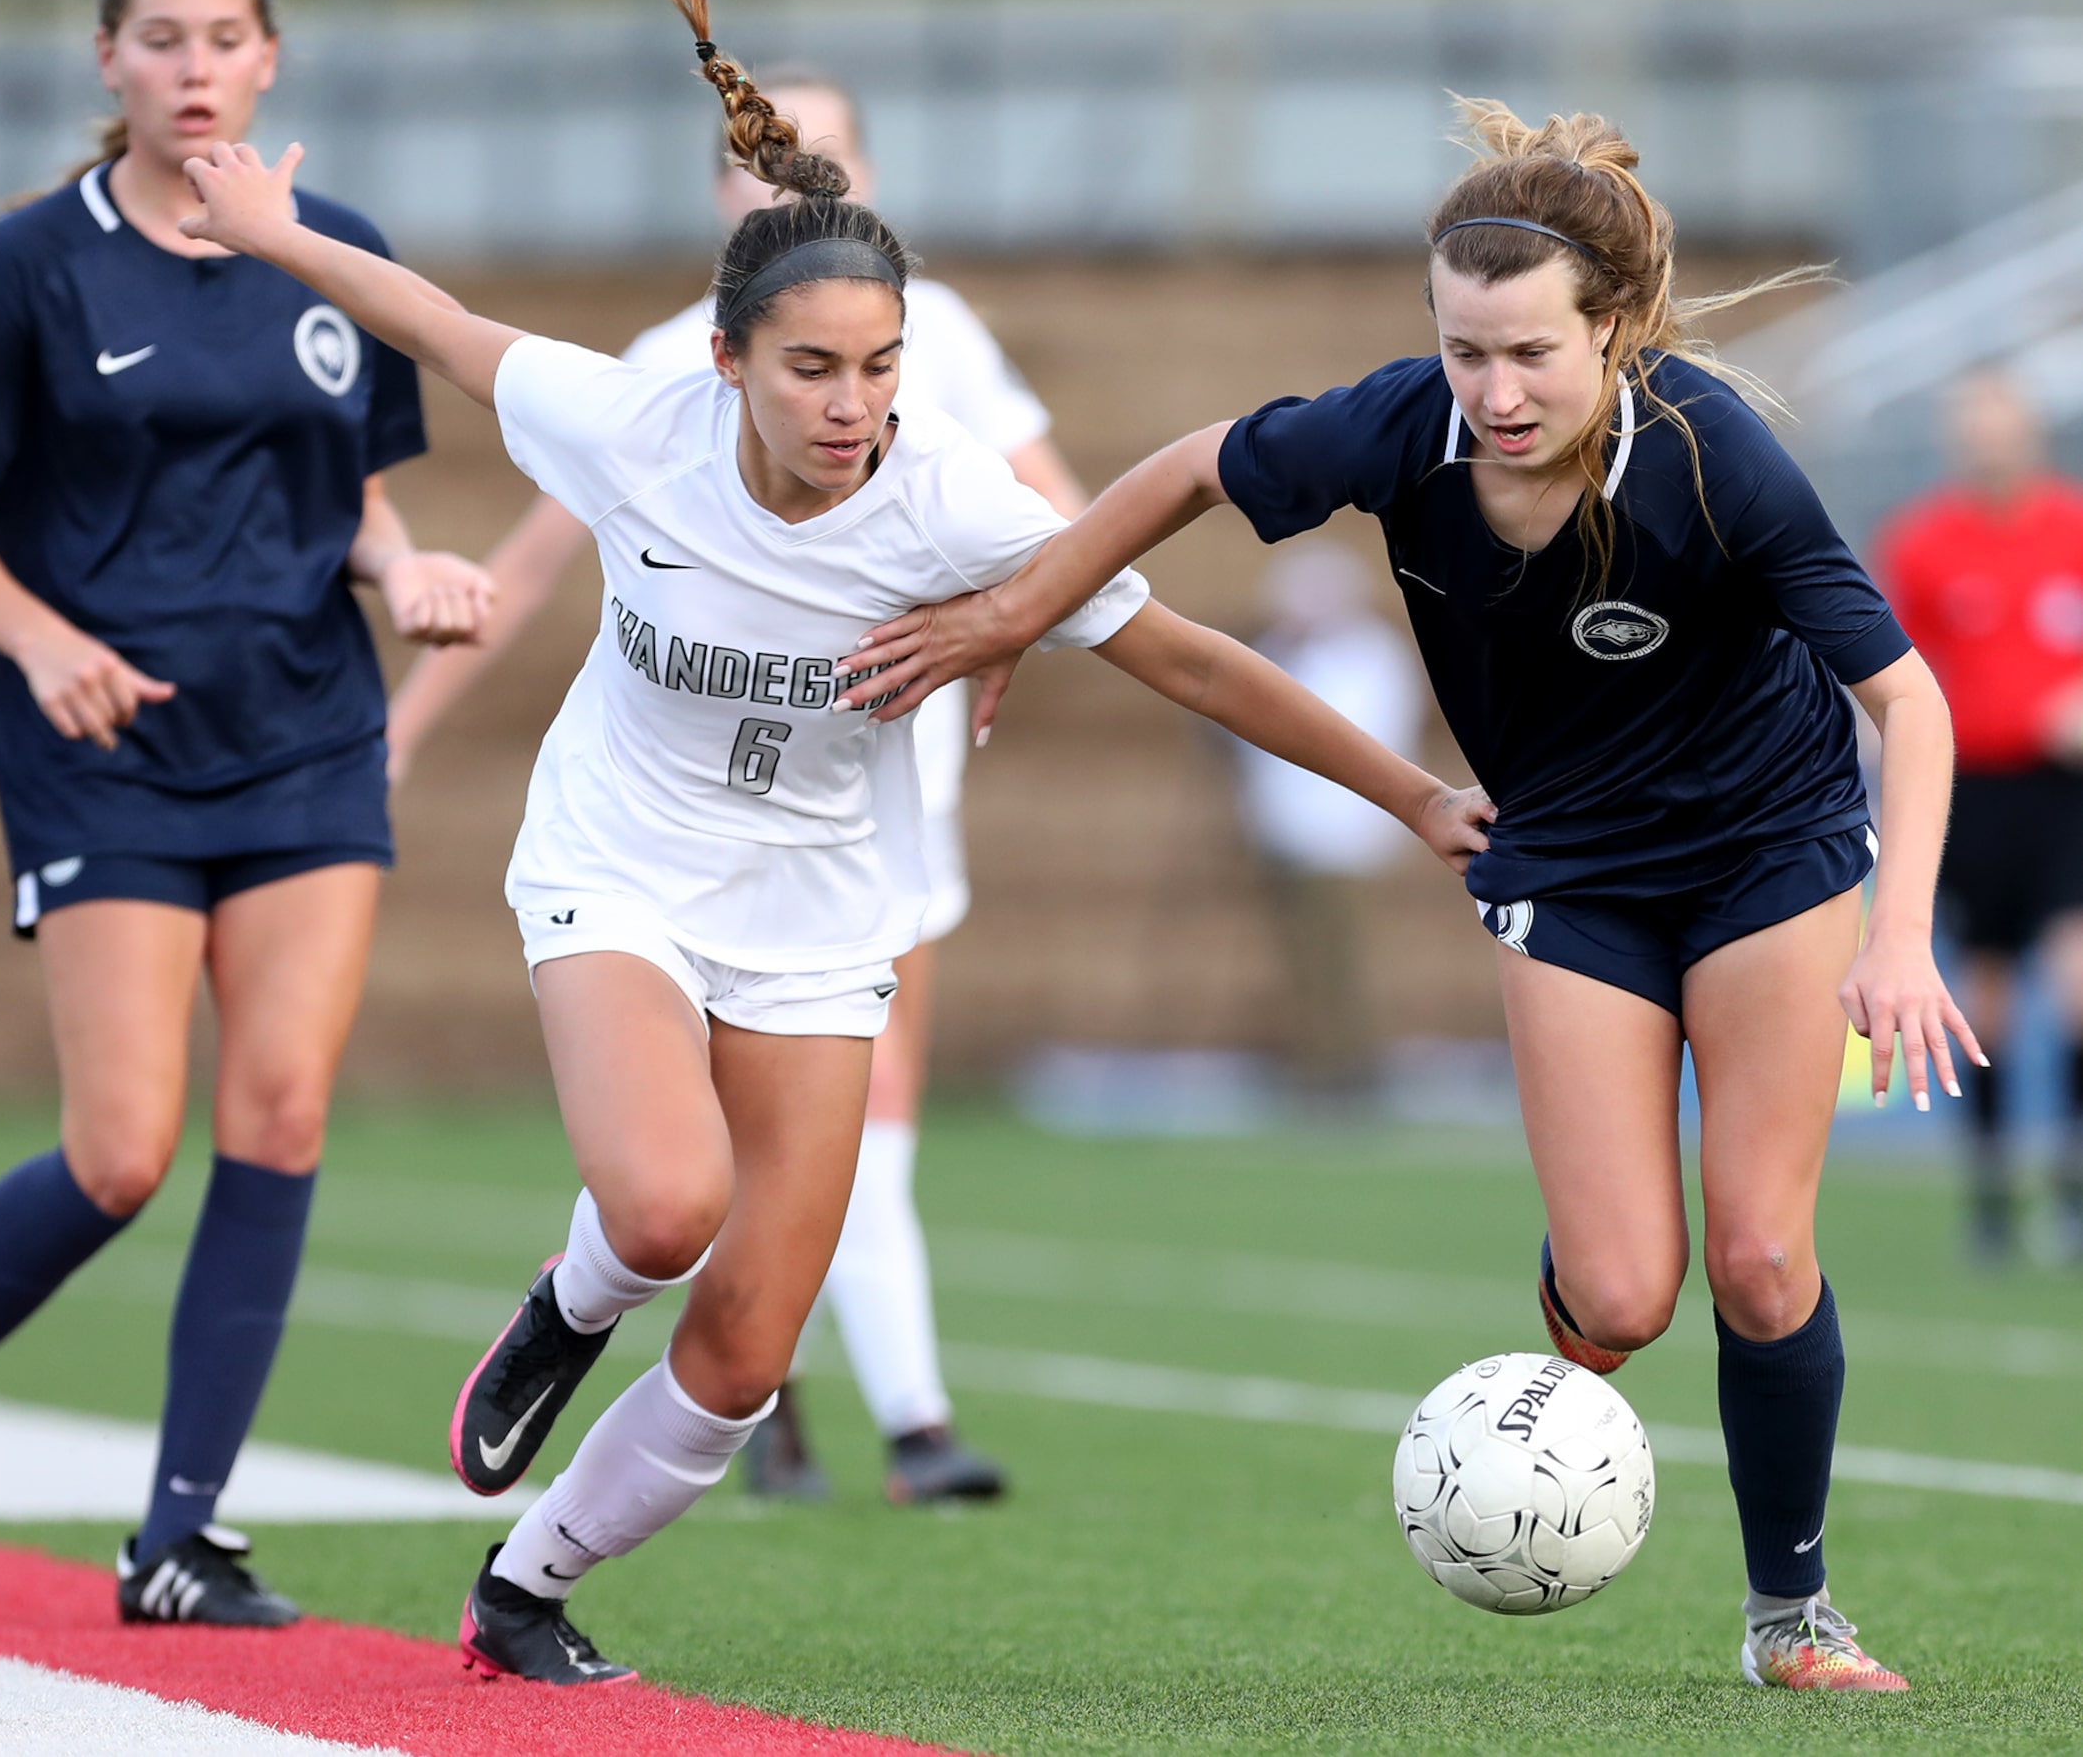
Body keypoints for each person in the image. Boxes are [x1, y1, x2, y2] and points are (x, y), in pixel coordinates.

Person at [176, 0, 1491, 1682]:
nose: (848, 403)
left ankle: (525, 1582)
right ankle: (567, 1308)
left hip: (817, 915)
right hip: (619, 866)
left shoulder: (947, 500)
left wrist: (1412, 794)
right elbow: (429, 318)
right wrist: (271, 228)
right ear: (726, 362)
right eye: (808, 368)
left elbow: (1188, 656)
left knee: (743, 1346)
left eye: (878, 366)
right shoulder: (630, 421)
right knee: (662, 1207)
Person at [839, 100, 1981, 1693]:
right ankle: (1566, 1319)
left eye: (1532, 354)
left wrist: (1905, 934)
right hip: (1569, 863)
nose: (1496, 392)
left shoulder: (1716, 460)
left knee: (1759, 1263)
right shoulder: (1397, 431)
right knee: (1619, 1293)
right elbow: (1181, 473)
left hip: (1769, 857)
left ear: (1617, 333)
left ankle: (1789, 1615)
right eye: (1464, 351)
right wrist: (1010, 613)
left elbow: (1908, 703)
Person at [0, 0, 493, 1627]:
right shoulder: (29, 265)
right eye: (164, 40)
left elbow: (352, 491)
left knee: (275, 1111)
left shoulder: (338, 251)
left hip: (306, 740)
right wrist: (43, 643)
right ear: (107, 60)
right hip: (105, 751)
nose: (196, 69)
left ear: (271, 58)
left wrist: (402, 572)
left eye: (225, 39)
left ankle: (178, 1534)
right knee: (121, 1150)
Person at [386, 70, 1083, 1508]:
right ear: (719, 200)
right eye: (762, 157)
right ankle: (852, 1407)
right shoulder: (659, 368)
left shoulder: (933, 329)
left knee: (844, 1128)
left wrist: (1019, 610)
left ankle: (865, 1409)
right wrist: (396, 732)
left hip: (868, 810)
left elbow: (1064, 529)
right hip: (664, 826)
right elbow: (523, 566)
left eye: (826, 153)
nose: (848, 398)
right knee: (674, 1178)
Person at [1878, 367, 2083, 1264]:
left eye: (2002, 422)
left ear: (2029, 429)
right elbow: (1893, 673)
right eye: (1973, 426)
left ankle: (2072, 1181)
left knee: (2078, 981)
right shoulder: (1923, 544)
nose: (1988, 439)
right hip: (1974, 794)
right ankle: (1994, 1187)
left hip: (2062, 792)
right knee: (1987, 998)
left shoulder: (2072, 525)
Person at [1234, 544, 1425, 1096]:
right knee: (1309, 956)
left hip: (1341, 837)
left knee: (1338, 957)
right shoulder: (1285, 654)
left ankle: (1345, 1067)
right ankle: (1323, 1057)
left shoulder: (1367, 657)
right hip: (1289, 834)